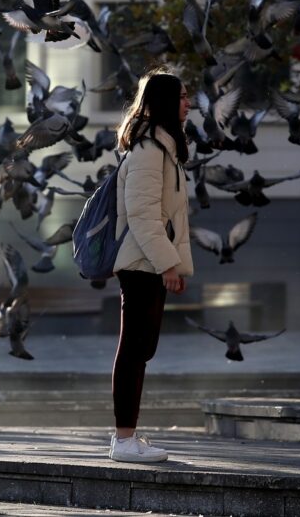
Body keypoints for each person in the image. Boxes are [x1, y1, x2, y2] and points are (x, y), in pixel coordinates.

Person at [108, 69, 193, 463]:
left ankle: (128, 435)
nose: (188, 104)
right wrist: (168, 266)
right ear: (163, 102)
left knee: (142, 348)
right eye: (182, 97)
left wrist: (170, 264)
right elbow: (143, 216)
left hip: (150, 262)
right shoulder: (147, 151)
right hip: (141, 263)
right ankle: (123, 439)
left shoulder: (164, 149)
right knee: (133, 349)